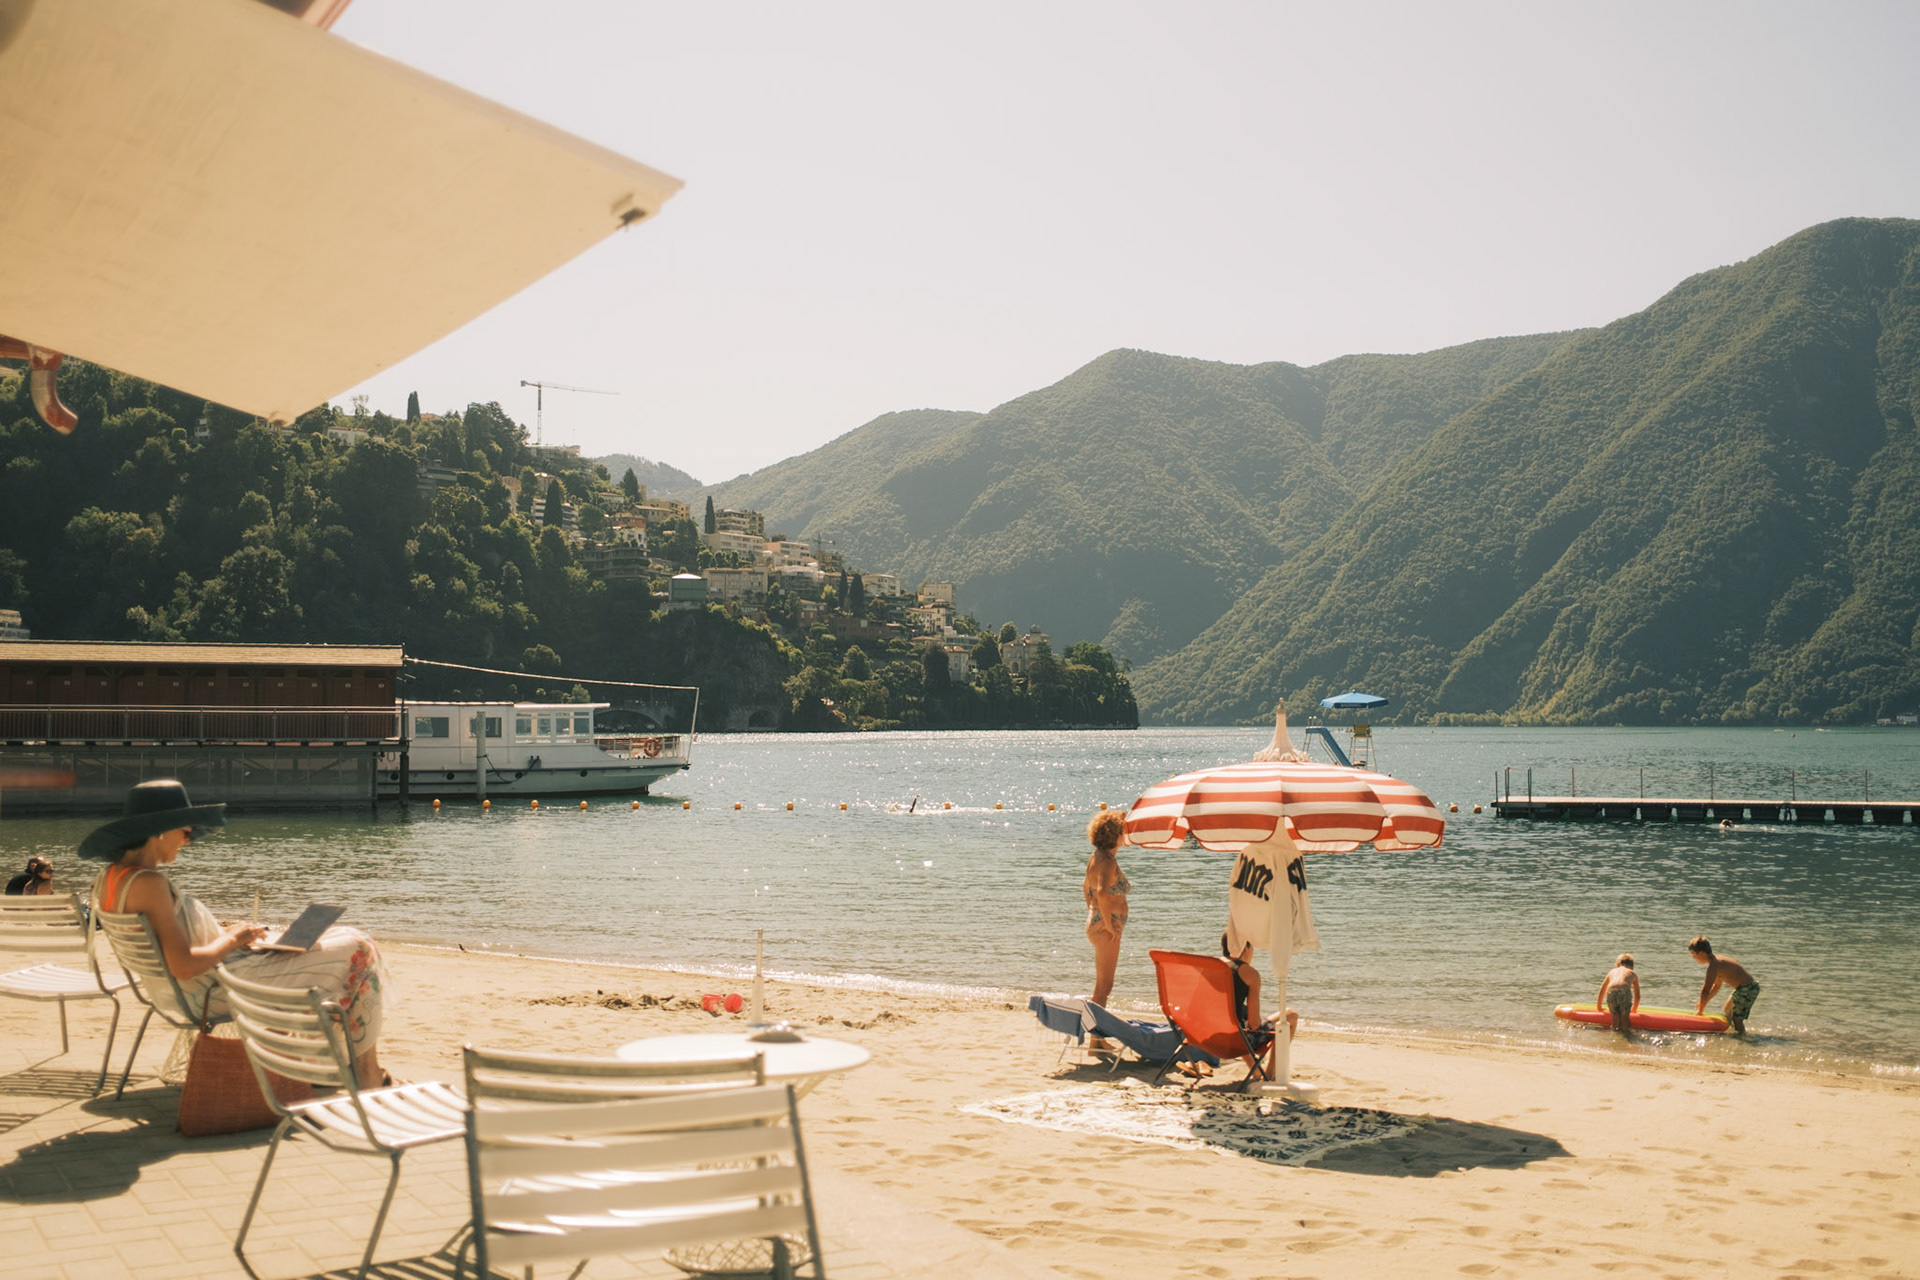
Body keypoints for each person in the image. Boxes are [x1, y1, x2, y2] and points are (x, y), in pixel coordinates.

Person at [80, 779, 393, 1087]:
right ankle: (364, 1074)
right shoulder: (149, 884)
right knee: (361, 948)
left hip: (198, 983)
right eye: (186, 832)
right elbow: (183, 965)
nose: (188, 841)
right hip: (214, 989)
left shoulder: (111, 878)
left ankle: (327, 1066)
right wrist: (231, 940)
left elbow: (174, 945)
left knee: (339, 938)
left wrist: (231, 934)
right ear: (160, 828)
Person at [1082, 812, 1131, 1044]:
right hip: (1105, 928)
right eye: (1124, 830)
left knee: (1102, 984)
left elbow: (1086, 889)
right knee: (1104, 986)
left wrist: (1095, 913)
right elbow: (1101, 891)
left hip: (1097, 922)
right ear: (1115, 834)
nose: (1126, 834)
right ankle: (1095, 1040)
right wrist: (1110, 924)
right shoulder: (1107, 861)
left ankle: (1096, 1037)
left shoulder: (1097, 856)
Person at [1220, 934, 1297, 1080]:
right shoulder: (1249, 974)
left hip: (1206, 1037)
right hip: (1235, 1041)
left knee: (1235, 1020)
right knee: (1290, 1015)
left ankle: (1256, 1072)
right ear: (1246, 948)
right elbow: (1254, 1025)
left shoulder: (1210, 966)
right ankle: (1268, 1074)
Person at [1689, 936, 1759, 1033]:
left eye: (1693, 955)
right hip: (1743, 988)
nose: (1693, 958)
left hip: (1747, 989)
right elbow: (1716, 986)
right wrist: (1704, 1002)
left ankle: (1742, 1037)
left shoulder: (1714, 966)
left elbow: (1705, 990)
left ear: (1701, 953)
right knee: (1727, 1010)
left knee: (1737, 1018)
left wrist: (1701, 1011)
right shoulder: (1716, 962)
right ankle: (1733, 1033)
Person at [1596, 953, 1641, 1034]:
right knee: (1625, 1018)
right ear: (1632, 966)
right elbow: (1637, 996)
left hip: (1611, 991)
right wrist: (1634, 1010)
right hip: (1624, 990)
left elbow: (1603, 989)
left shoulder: (1612, 971)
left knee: (1615, 1017)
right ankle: (1626, 1036)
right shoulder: (1632, 974)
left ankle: (1615, 1034)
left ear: (1618, 964)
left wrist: (1599, 1006)